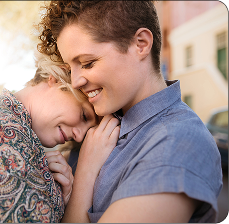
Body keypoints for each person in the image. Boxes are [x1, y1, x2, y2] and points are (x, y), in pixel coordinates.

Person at [37, 1, 223, 223]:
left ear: (141, 44)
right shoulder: (97, 125)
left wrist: (85, 175)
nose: (75, 82)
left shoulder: (177, 141)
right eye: (70, 68)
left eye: (87, 63)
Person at [0, 51, 118, 223]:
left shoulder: (11, 131)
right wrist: (87, 172)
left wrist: (62, 198)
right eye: (84, 115)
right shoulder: (0, 136)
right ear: (57, 78)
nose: (79, 136)